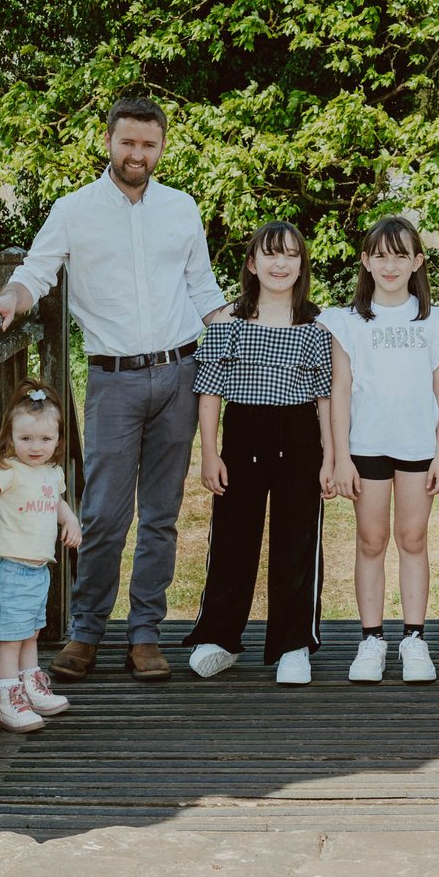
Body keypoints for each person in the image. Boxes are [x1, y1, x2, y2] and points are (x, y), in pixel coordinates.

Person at [0, 96, 228, 683]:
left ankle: (145, 634)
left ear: (161, 148)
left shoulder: (181, 208)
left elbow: (204, 291)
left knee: (162, 515)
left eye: (149, 144)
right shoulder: (74, 210)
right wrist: (10, 301)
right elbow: (36, 273)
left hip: (180, 374)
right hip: (113, 380)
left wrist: (254, 338)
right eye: (128, 143)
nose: (137, 154)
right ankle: (86, 631)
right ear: (109, 142)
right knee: (104, 512)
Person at [183, 221, 339, 686]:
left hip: (299, 436)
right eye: (270, 254)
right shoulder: (229, 321)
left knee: (297, 541)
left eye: (290, 255)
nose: (280, 263)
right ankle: (219, 636)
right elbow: (209, 391)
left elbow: (326, 398)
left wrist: (331, 457)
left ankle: (293, 643)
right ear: (252, 263)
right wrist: (210, 454)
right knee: (233, 537)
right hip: (243, 433)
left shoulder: (316, 326)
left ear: (301, 264)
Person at [322, 214, 439, 685]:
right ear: (365, 261)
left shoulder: (434, 321)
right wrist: (341, 457)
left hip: (418, 447)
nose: (390, 264)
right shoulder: (348, 322)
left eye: (401, 255)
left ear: (417, 261)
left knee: (413, 539)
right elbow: (340, 391)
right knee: (370, 540)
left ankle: (415, 639)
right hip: (367, 446)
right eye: (380, 255)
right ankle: (371, 639)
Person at [0, 387, 84, 732]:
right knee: (9, 638)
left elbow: (58, 505)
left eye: (44, 438)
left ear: (57, 440)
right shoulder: (7, 469)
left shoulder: (52, 472)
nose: (35, 447)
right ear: (11, 438)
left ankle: (29, 686)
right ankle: (6, 697)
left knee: (30, 633)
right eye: (26, 438)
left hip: (38, 571)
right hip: (10, 567)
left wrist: (71, 520)